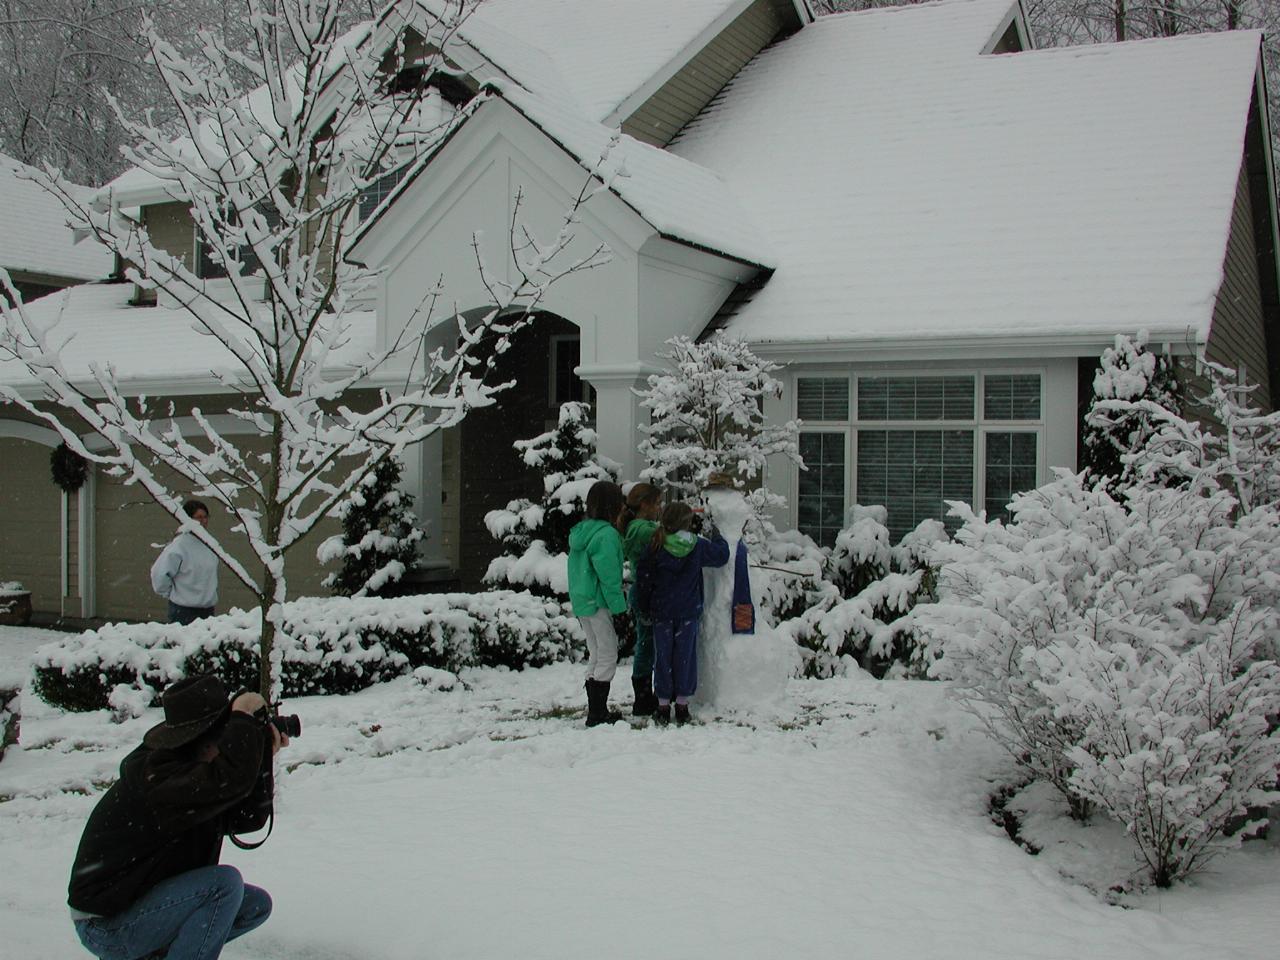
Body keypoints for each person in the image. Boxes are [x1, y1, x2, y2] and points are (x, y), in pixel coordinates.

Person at [68, 673, 287, 960]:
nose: (227, 744)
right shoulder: (160, 778)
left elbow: (246, 817)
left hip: (140, 903)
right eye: (223, 735)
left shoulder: (192, 776)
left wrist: (261, 758)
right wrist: (243, 720)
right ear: (199, 740)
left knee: (254, 905)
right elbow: (229, 781)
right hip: (106, 924)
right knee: (223, 887)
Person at [634, 502, 729, 725]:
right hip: (688, 611)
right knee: (685, 657)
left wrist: (644, 606)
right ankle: (683, 705)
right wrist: (716, 534)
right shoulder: (697, 546)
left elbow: (644, 579)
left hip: (662, 612)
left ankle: (663, 705)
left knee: (663, 657)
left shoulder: (656, 545)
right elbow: (722, 555)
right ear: (688, 522)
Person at [567, 480, 628, 727]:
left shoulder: (581, 532)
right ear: (614, 505)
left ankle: (596, 709)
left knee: (596, 652)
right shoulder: (607, 536)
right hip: (600, 602)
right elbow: (609, 578)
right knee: (608, 653)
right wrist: (620, 610)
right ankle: (598, 713)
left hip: (583, 601)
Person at [620, 483, 662, 716]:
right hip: (645, 593)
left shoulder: (641, 526)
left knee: (647, 643)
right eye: (657, 504)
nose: (659, 509)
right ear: (644, 504)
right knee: (646, 646)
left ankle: (645, 696)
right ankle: (643, 698)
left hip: (645, 591)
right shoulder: (640, 529)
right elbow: (666, 536)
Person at [150, 500, 219, 625]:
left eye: (205, 517)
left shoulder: (210, 544)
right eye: (198, 517)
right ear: (188, 519)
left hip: (207, 612)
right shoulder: (179, 545)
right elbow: (159, 573)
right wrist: (172, 594)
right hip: (183, 612)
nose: (203, 521)